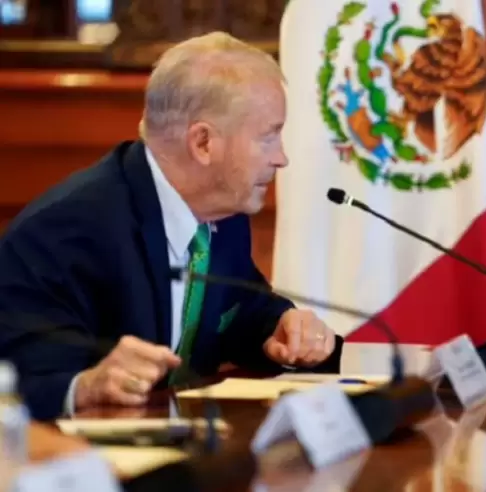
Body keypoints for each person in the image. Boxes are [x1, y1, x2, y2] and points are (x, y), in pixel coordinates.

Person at [0, 32, 343, 420]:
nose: (281, 158)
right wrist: (87, 385)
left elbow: (239, 307)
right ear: (203, 143)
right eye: (269, 137)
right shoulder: (65, 232)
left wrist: (279, 327)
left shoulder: (222, 213)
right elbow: (18, 380)